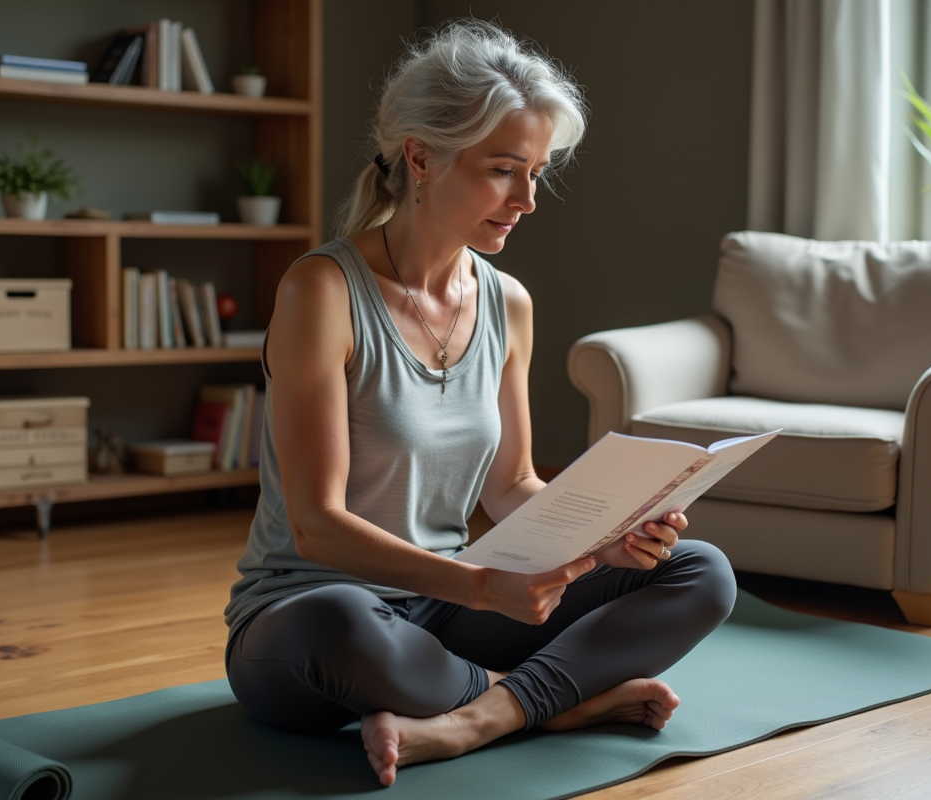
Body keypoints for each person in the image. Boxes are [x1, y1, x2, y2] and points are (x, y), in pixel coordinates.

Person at [224, 20, 737, 788]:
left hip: (450, 607)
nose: (528, 199)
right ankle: (553, 704)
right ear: (421, 157)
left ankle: (479, 716)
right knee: (345, 628)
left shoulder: (508, 303)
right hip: (310, 615)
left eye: (536, 173)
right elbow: (316, 525)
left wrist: (608, 540)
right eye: (504, 170)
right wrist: (477, 585)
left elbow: (512, 486)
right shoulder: (321, 292)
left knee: (702, 571)